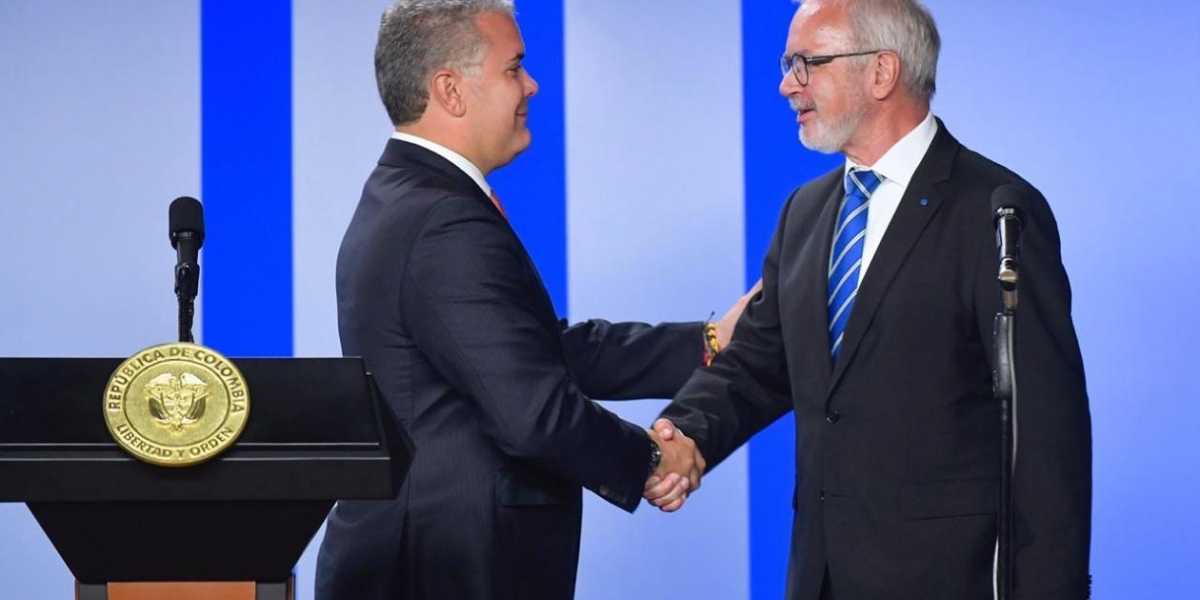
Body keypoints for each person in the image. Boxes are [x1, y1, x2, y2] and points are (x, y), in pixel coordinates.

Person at [656, 0, 1092, 598]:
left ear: (882, 72)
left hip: (945, 581)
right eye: (789, 64)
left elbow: (1047, 437)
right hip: (822, 576)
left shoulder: (995, 210)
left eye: (807, 63)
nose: (787, 84)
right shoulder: (803, 213)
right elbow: (757, 365)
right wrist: (679, 436)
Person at [314, 1, 750, 599]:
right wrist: (650, 460)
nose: (532, 84)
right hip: (445, 568)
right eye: (513, 67)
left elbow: (534, 350)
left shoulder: (410, 197)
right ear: (451, 90)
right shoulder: (442, 219)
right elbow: (531, 412)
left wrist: (706, 344)